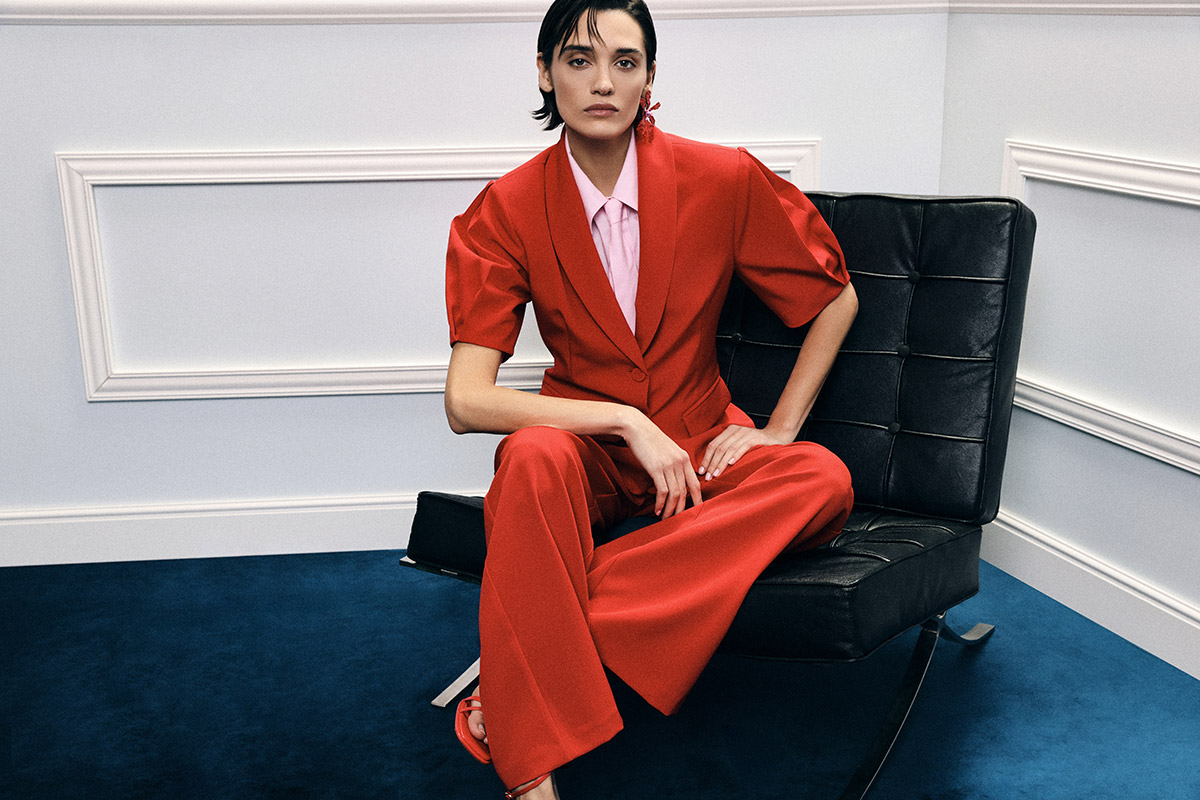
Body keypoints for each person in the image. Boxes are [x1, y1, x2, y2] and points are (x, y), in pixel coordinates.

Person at [442, 1, 858, 796]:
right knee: (527, 456)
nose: (602, 82)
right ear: (543, 72)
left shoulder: (723, 178)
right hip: (585, 452)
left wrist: (777, 428)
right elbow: (467, 400)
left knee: (821, 482)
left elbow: (832, 297)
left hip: (702, 442)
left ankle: (527, 653)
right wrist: (623, 420)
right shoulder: (507, 207)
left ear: (650, 79)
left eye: (625, 63)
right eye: (577, 60)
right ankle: (533, 781)